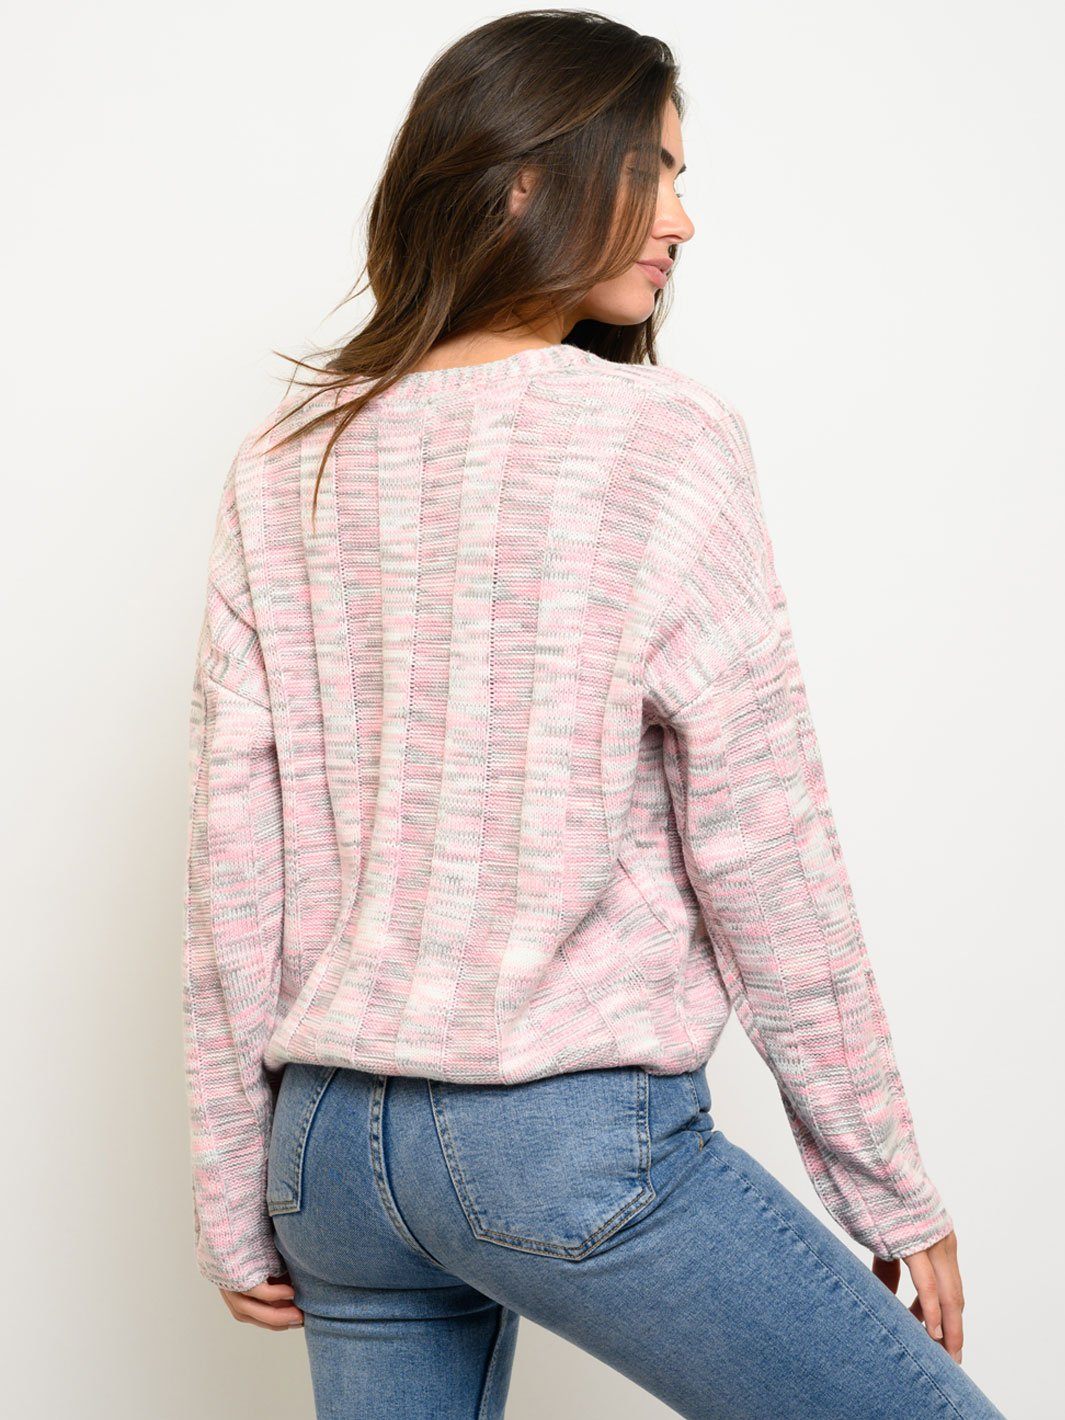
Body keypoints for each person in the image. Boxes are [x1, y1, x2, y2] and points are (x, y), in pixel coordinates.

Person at [182, 10, 1006, 1417]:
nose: (684, 219)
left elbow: (232, 860)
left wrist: (231, 1185)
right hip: (548, 1144)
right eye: (654, 171)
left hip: (326, 1157)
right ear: (522, 179)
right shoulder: (655, 438)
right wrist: (886, 1185)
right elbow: (765, 845)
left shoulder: (288, 460)